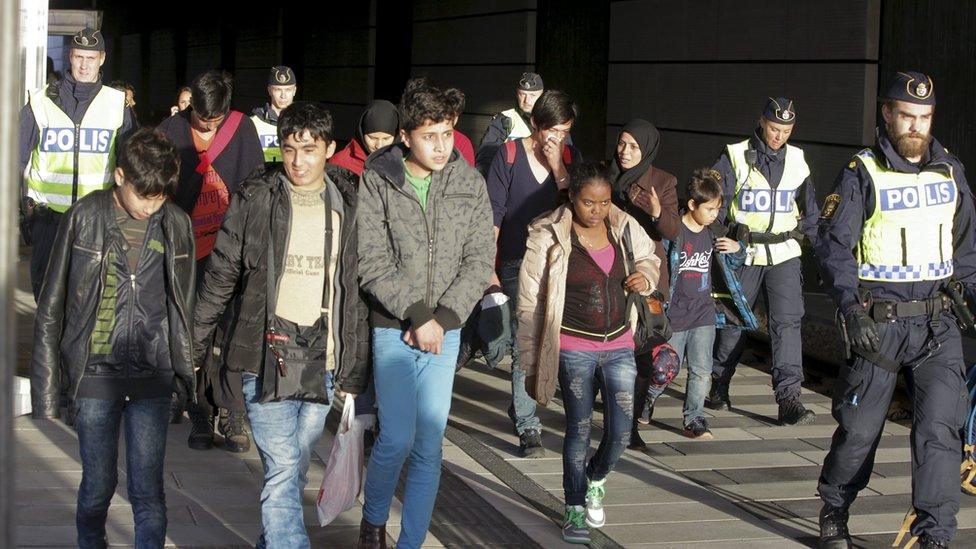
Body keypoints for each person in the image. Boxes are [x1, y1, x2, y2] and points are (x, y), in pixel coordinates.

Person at [193, 102, 366, 549]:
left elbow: (360, 291)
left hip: (322, 358)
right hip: (261, 354)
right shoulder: (256, 199)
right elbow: (221, 274)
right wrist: (191, 341)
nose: (298, 161)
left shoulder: (351, 203)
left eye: (309, 150)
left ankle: (273, 538)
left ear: (330, 149)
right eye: (289, 149)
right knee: (286, 465)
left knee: (290, 465)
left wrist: (355, 365)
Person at [815, 71, 976, 549]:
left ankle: (935, 535)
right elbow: (834, 245)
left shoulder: (950, 170)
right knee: (859, 431)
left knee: (941, 433)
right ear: (887, 114)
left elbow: (967, 240)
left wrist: (966, 287)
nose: (915, 126)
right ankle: (835, 508)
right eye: (906, 116)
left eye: (924, 118)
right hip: (878, 326)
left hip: (936, 325)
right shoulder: (861, 171)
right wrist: (849, 308)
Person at [30, 128, 195, 549]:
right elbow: (51, 307)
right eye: (145, 195)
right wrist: (48, 394)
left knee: (147, 493)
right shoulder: (85, 216)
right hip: (94, 378)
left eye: (160, 196)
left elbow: (183, 307)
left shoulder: (175, 223)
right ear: (120, 176)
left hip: (152, 378)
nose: (152, 205)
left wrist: (184, 379)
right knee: (97, 488)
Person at [357, 77, 494, 549]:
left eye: (448, 134)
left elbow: (480, 260)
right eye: (429, 135)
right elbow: (371, 259)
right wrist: (417, 315)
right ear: (406, 136)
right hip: (395, 328)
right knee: (395, 437)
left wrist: (445, 319)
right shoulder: (378, 178)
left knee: (429, 445)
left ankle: (410, 542)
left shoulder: (469, 183)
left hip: (447, 329)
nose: (441, 146)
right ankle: (373, 519)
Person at [517, 161, 658, 544]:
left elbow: (650, 256)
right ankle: (574, 506)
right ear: (571, 198)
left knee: (622, 432)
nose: (597, 211)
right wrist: (529, 362)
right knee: (578, 427)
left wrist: (645, 275)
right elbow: (530, 303)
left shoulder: (624, 225)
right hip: (574, 346)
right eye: (588, 203)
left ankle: (595, 477)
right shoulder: (548, 233)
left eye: (604, 202)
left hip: (619, 344)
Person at [157, 70, 264, 452]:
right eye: (202, 120)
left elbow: (254, 187)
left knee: (232, 330)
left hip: (230, 247)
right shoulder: (170, 130)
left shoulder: (242, 130)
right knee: (191, 330)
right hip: (186, 248)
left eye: (214, 120)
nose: (208, 125)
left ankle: (232, 409)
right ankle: (198, 409)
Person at [708, 97, 821, 426]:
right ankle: (719, 385)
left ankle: (789, 400)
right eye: (774, 128)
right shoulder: (735, 156)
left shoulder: (799, 161)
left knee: (788, 324)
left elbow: (810, 211)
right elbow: (712, 202)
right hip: (744, 250)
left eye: (785, 130)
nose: (778, 136)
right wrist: (721, 238)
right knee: (735, 320)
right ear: (761, 122)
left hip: (784, 252)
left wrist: (823, 253)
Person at [485, 89, 581, 457]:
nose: (557, 138)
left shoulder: (569, 158)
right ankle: (528, 424)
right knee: (527, 333)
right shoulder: (508, 156)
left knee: (541, 334)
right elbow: (493, 216)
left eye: (565, 131)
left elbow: (578, 204)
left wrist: (558, 166)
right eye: (552, 130)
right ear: (536, 125)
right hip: (514, 259)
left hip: (556, 259)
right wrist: (487, 273)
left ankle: (521, 406)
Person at [19, 27, 136, 301]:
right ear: (70, 57)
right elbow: (14, 159)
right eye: (79, 57)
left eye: (90, 58)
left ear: (102, 59)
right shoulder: (40, 102)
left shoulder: (117, 105)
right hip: (48, 221)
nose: (84, 65)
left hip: (96, 220)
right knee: (47, 300)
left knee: (88, 301)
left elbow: (130, 167)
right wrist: (22, 210)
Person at [642, 169, 757, 442]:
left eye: (718, 208)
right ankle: (647, 397)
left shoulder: (713, 233)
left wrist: (738, 250)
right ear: (692, 205)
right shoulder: (675, 232)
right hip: (676, 315)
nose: (714, 214)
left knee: (702, 370)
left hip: (704, 313)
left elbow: (732, 265)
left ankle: (694, 418)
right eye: (709, 208)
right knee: (667, 368)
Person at [606, 119, 681, 446]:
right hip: (610, 275)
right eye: (622, 143)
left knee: (642, 356)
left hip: (647, 278)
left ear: (647, 148)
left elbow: (672, 231)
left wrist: (654, 212)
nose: (624, 151)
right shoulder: (605, 175)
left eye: (633, 146)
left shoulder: (662, 182)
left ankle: (630, 426)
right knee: (609, 353)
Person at [475, 72, 544, 175]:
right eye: (522, 94)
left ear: (542, 95)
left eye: (532, 95)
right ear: (517, 94)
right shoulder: (504, 119)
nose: (526, 100)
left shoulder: (552, 120)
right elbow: (485, 157)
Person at [328, 99, 399, 176]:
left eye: (386, 139)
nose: (379, 145)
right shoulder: (340, 162)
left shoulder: (405, 162)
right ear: (361, 133)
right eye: (372, 138)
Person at [251, 65, 298, 164]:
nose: (283, 95)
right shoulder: (253, 123)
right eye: (278, 90)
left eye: (288, 90)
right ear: (269, 91)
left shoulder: (305, 122)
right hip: (263, 177)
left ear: (294, 91)